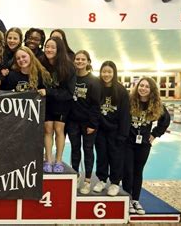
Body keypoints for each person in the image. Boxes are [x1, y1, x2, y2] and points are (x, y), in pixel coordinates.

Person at [123, 77, 170, 215]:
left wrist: (155, 134)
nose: (143, 88)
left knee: (138, 171)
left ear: (151, 90)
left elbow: (165, 120)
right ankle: (127, 198)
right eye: (141, 85)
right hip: (128, 143)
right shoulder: (130, 101)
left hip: (143, 144)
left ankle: (136, 200)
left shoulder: (156, 105)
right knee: (128, 171)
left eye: (147, 86)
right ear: (137, 87)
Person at [38, 37, 76, 173]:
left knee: (59, 130)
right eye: (47, 46)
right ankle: (48, 160)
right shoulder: (41, 63)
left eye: (52, 47)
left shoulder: (68, 66)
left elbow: (69, 92)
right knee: (47, 129)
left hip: (62, 103)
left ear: (59, 49)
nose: (49, 49)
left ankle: (58, 161)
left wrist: (48, 91)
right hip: (47, 103)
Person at [92, 61, 130, 196]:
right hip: (100, 130)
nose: (106, 74)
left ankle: (114, 183)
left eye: (109, 72)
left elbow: (125, 114)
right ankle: (102, 180)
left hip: (115, 130)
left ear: (114, 73)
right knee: (101, 156)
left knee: (116, 157)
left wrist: (122, 134)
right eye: (104, 71)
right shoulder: (97, 88)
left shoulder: (121, 91)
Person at [67, 50, 101, 194]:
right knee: (75, 149)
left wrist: (93, 124)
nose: (80, 61)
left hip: (88, 123)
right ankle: (75, 175)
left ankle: (87, 180)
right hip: (73, 121)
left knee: (88, 150)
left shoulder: (94, 81)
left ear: (88, 62)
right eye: (77, 59)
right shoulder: (71, 78)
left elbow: (96, 104)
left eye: (83, 59)